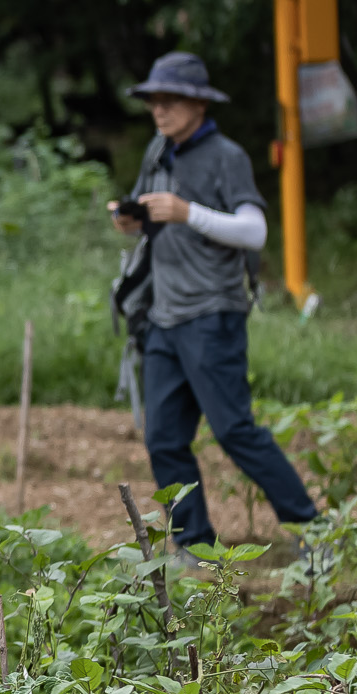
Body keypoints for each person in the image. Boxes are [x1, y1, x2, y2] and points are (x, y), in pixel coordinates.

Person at [108, 50, 319, 555]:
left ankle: (314, 533)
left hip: (212, 317)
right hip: (162, 318)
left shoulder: (228, 156)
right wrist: (131, 218)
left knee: (235, 432)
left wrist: (188, 213)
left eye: (170, 100)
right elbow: (152, 216)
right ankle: (195, 547)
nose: (159, 110)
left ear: (199, 104)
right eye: (154, 101)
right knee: (162, 438)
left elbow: (255, 229)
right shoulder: (157, 152)